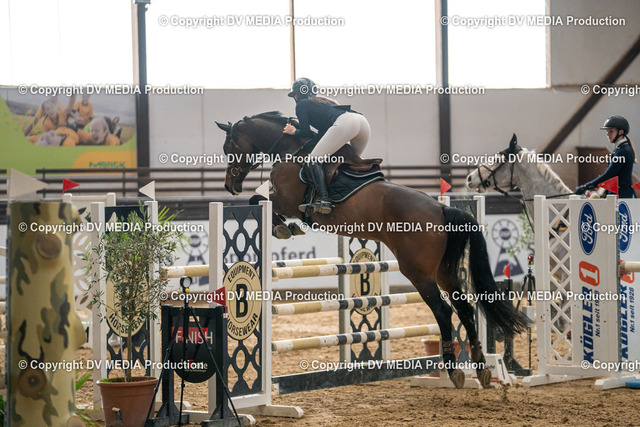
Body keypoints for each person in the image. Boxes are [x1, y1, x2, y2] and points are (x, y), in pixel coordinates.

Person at [283, 77, 371, 214]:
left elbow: (305, 132)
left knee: (313, 160)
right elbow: (322, 136)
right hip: (362, 123)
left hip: (346, 123)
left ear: (297, 94)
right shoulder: (323, 102)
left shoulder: (301, 104)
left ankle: (324, 200)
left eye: (294, 94)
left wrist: (293, 132)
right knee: (352, 161)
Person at [576, 115, 636, 198]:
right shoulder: (618, 150)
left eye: (611, 131)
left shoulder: (623, 151)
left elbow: (608, 175)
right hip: (616, 195)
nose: (608, 134)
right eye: (607, 131)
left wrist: (587, 186)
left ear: (621, 132)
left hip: (623, 196)